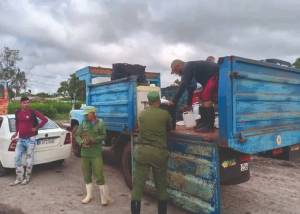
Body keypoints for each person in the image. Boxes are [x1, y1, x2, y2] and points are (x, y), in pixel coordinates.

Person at [131, 91, 173, 214]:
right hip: (159, 153)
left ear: (148, 102)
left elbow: (139, 127)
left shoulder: (142, 114)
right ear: (158, 101)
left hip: (142, 152)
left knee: (138, 186)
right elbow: (170, 127)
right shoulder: (165, 114)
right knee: (161, 186)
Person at [75, 106, 112, 205]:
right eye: (85, 114)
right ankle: (89, 195)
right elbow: (77, 135)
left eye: (88, 114)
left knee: (99, 174)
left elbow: (104, 135)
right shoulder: (83, 123)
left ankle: (104, 197)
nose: (86, 116)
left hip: (96, 153)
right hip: (85, 153)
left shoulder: (100, 123)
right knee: (86, 174)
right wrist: (82, 142)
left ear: (93, 113)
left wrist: (93, 139)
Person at [170, 58, 219, 132]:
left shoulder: (187, 66)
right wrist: (189, 104)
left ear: (178, 66)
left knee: (206, 99)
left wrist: (174, 101)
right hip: (211, 78)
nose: (177, 74)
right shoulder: (190, 69)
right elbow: (191, 88)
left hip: (216, 75)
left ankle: (208, 127)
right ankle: (205, 124)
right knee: (203, 99)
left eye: (175, 71)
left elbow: (183, 85)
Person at [10, 96, 48, 185]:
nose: (26, 104)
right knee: (17, 157)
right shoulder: (17, 112)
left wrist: (36, 128)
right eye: (24, 103)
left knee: (29, 159)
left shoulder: (33, 112)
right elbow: (17, 123)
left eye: (28, 102)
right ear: (21, 103)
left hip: (31, 139)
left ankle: (27, 178)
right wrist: (16, 133)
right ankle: (19, 178)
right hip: (21, 138)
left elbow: (44, 120)